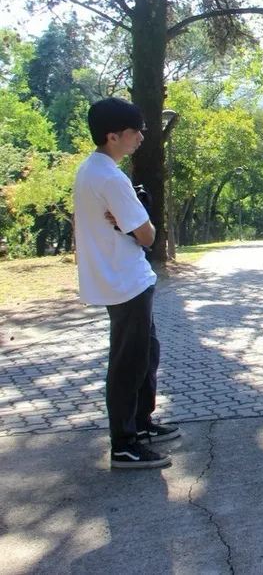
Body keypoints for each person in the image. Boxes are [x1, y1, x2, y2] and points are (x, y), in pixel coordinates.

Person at [74, 98, 181, 469]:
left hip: (123, 278)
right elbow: (148, 236)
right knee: (129, 362)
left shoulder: (92, 170)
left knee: (146, 353)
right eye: (135, 131)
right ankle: (124, 444)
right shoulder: (110, 177)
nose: (141, 137)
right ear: (113, 135)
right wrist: (139, 216)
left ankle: (140, 422)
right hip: (125, 281)